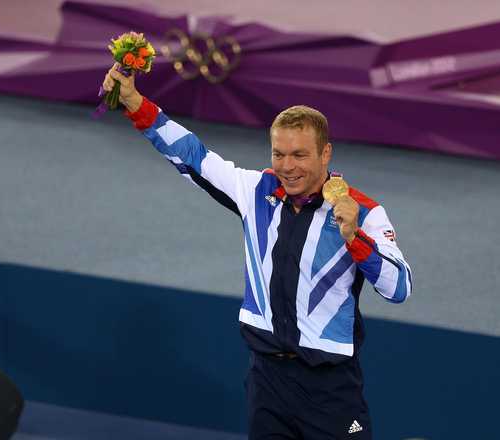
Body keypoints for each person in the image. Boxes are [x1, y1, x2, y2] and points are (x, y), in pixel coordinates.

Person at [102, 63, 412, 440]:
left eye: (299, 155)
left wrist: (355, 237)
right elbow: (193, 156)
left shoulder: (362, 211)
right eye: (278, 154)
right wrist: (135, 102)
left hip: (331, 389)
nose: (287, 166)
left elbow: (399, 289)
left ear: (325, 153)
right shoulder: (255, 192)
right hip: (267, 382)